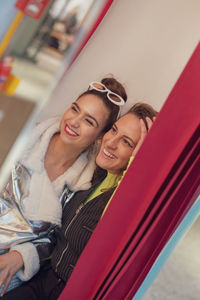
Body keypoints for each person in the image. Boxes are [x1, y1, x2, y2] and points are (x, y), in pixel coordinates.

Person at [1, 102, 158, 299]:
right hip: (43, 281)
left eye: (126, 142)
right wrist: (21, 256)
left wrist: (140, 163)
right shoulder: (89, 178)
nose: (111, 142)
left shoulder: (126, 199)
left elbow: (112, 222)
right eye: (114, 131)